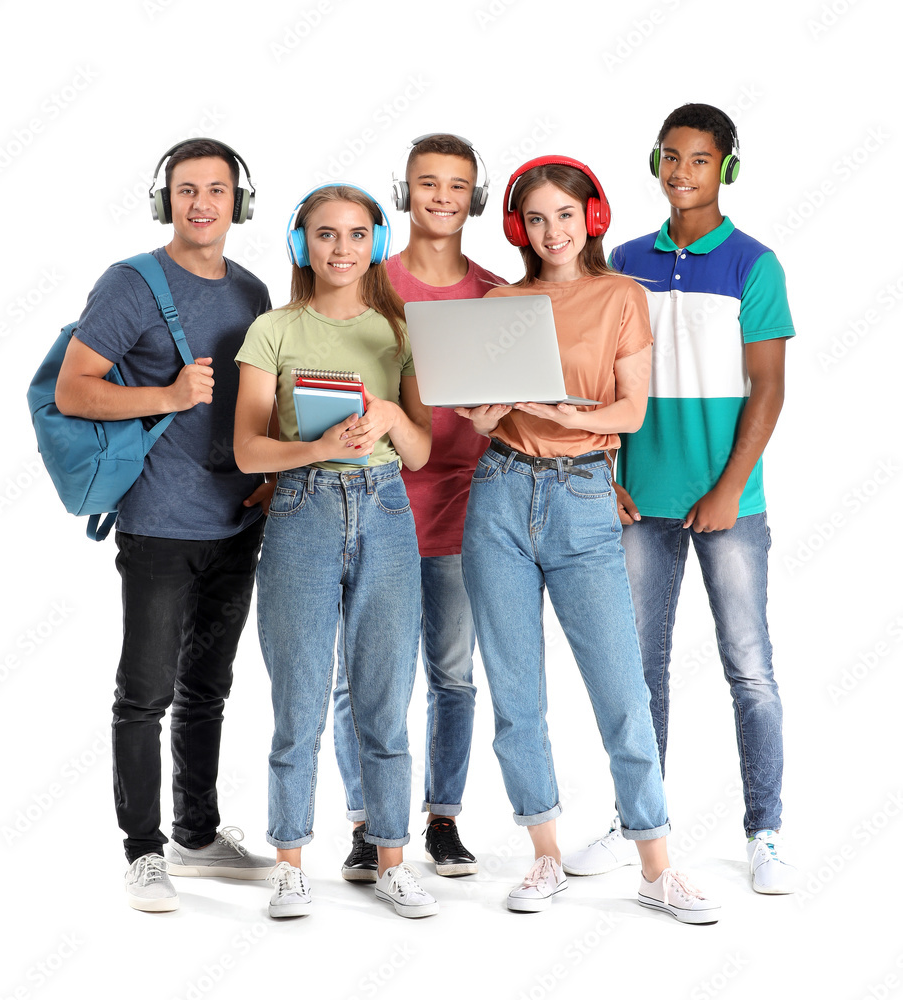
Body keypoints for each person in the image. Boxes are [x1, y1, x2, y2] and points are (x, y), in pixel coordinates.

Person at [457, 155, 719, 923]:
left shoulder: (620, 297)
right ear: (518, 228)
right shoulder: (500, 301)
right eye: (535, 219)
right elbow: (483, 416)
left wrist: (570, 414)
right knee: (514, 693)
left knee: (621, 692)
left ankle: (655, 865)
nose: (551, 231)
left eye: (564, 215)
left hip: (580, 498)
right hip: (499, 493)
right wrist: (481, 416)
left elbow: (631, 412)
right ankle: (543, 856)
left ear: (591, 218)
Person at [563, 105, 797, 895]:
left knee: (748, 668)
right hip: (636, 501)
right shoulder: (621, 262)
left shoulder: (753, 265)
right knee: (634, 670)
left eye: (699, 160)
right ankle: (638, 821)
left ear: (724, 168)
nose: (680, 172)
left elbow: (768, 386)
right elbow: (599, 383)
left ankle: (764, 833)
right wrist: (606, 475)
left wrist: (730, 487)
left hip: (730, 503)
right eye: (670, 157)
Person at [55, 138, 275, 912]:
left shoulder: (252, 291)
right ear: (165, 200)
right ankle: (143, 851)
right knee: (144, 691)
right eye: (187, 190)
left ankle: (197, 833)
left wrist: (270, 480)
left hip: (236, 520)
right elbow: (75, 391)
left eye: (217, 190)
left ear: (239, 204)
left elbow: (262, 398)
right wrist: (169, 396)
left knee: (208, 687)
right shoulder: (132, 284)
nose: (202, 203)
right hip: (158, 523)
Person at [233, 183, 437, 919]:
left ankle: (390, 859)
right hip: (301, 509)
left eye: (356, 235)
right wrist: (316, 444)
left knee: (384, 702)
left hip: (384, 511)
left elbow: (419, 452)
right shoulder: (273, 330)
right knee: (298, 701)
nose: (340, 249)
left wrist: (386, 414)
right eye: (324, 235)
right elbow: (246, 446)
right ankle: (289, 862)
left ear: (376, 245)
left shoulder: (399, 331)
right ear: (301, 245)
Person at [332, 134, 505, 881]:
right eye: (426, 183)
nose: (441, 196)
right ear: (403, 194)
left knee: (453, 674)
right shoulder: (368, 283)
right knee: (360, 678)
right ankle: (369, 824)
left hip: (466, 509)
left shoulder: (499, 295)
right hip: (372, 508)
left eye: (456, 184)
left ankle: (441, 819)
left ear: (476, 196)